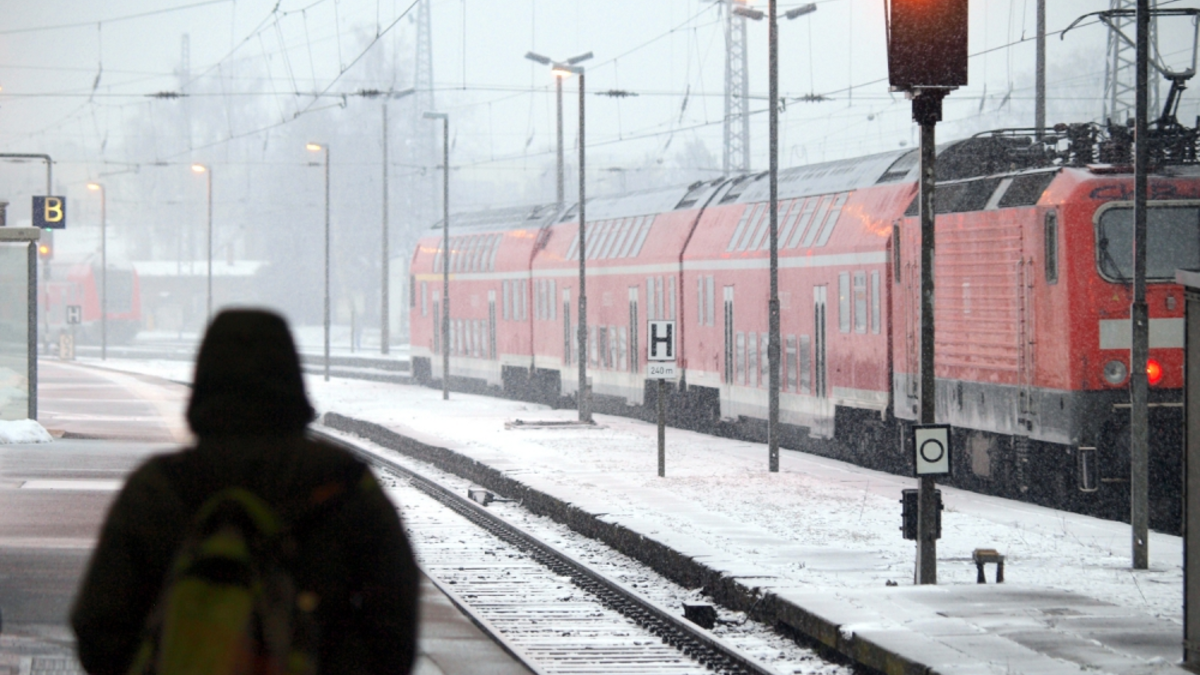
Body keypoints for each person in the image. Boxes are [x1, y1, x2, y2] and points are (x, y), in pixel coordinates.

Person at [71, 309, 419, 675]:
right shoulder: (344, 483)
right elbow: (395, 621)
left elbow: (99, 623)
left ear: (203, 382)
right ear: (292, 380)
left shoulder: (157, 487)